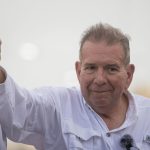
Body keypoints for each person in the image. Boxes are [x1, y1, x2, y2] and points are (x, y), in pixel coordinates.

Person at [0, 23, 150, 150]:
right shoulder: (57, 107)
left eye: (111, 69)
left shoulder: (147, 117)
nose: (99, 79)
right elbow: (18, 109)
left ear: (129, 75)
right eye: (91, 68)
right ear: (79, 71)